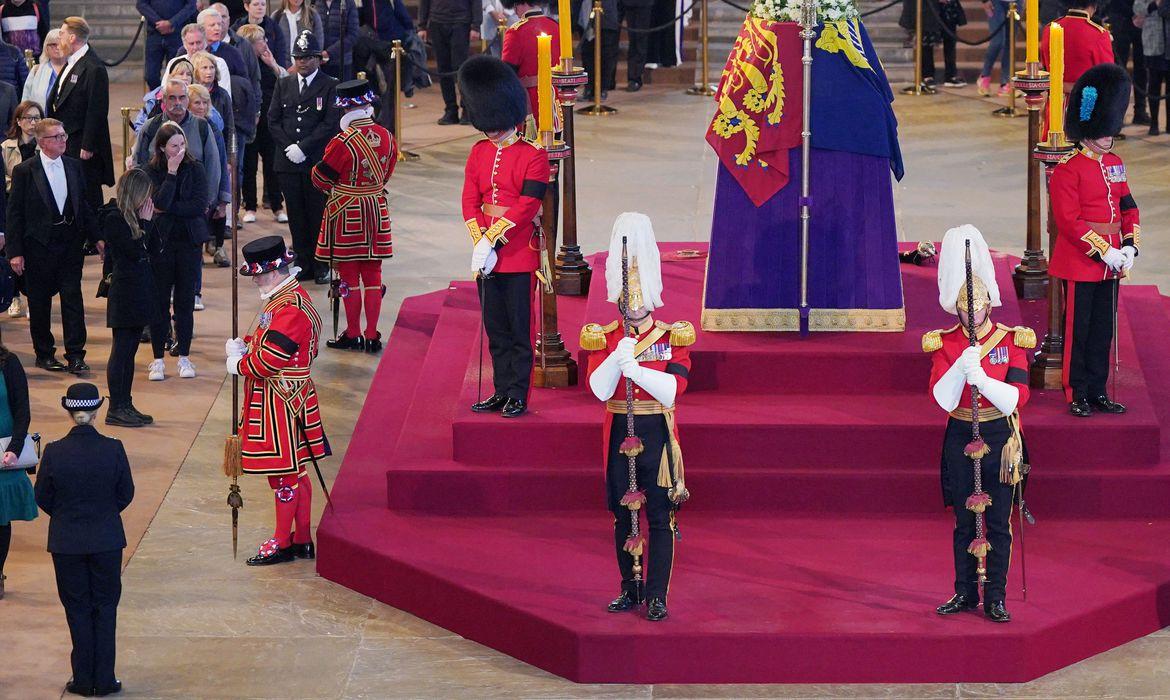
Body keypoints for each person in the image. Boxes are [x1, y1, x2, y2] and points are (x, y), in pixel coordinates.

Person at [581, 213, 693, 623]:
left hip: (658, 436)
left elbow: (672, 391)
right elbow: (598, 390)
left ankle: (657, 594)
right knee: (622, 515)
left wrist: (638, 370)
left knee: (660, 517)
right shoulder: (607, 334)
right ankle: (630, 587)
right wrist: (616, 357)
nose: (635, 300)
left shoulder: (671, 336)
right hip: (618, 435)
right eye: (630, 293)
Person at [926, 225, 1034, 625]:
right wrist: (960, 368)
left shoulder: (1012, 339)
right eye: (965, 306)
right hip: (959, 434)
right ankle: (965, 591)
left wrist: (984, 379)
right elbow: (942, 398)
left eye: (978, 303)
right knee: (963, 522)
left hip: (1000, 435)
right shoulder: (944, 341)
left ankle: (996, 596)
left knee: (999, 522)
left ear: (990, 300)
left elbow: (1016, 398)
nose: (973, 312)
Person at [225, 235, 327, 566]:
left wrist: (239, 364)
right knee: (297, 472)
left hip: (280, 399)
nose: (254, 279)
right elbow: (269, 340)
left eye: (257, 273)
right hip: (287, 395)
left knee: (284, 474)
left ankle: (283, 541)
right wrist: (248, 343)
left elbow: (268, 362)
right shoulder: (283, 298)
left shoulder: (289, 307)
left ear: (273, 271)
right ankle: (302, 538)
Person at [459, 55, 548, 418]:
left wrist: (493, 238)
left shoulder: (534, 156)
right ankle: (500, 390)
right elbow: (469, 198)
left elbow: (527, 205)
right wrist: (479, 240)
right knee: (495, 329)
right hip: (486, 253)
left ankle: (518, 393)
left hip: (517, 253)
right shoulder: (479, 152)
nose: (490, 130)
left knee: (518, 331)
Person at [1048, 63, 1139, 417]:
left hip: (1112, 264)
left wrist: (1130, 245)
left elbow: (1128, 206)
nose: (1108, 136)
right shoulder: (1067, 170)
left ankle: (1099, 390)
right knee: (1079, 332)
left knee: (1103, 331)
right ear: (1088, 129)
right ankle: (1077, 392)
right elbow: (1069, 223)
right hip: (1082, 263)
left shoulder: (1114, 163)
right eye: (1103, 130)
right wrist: (1106, 252)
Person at [34, 382, 134, 698]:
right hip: (106, 539)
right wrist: (104, 512)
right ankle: (105, 678)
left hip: (67, 541)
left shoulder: (53, 451)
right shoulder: (114, 448)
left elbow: (43, 497)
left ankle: (82, 678)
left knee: (77, 608)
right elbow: (125, 493)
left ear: (68, 410)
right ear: (97, 410)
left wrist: (67, 516)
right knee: (105, 607)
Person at [6, 117, 100, 374]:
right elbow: (15, 215)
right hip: (38, 246)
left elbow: (85, 206)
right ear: (42, 142)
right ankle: (44, 353)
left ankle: (76, 354)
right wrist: (15, 252)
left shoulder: (73, 166)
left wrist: (98, 238)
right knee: (39, 303)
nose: (63, 140)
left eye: (64, 136)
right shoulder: (25, 171)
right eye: (57, 137)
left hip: (70, 243)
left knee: (72, 299)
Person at [310, 78, 395, 353]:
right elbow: (386, 174)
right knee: (373, 274)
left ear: (345, 110)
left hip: (347, 213)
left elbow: (321, 179)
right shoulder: (387, 136)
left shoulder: (341, 142)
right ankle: (372, 335)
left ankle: (353, 333)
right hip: (377, 209)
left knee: (348, 275)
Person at [268, 30, 338, 285]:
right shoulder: (284, 83)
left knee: (317, 213)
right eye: (298, 57)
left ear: (318, 59)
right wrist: (289, 147)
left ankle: (320, 264)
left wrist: (304, 147)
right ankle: (302, 260)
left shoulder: (329, 85)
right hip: (287, 162)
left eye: (308, 57)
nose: (302, 62)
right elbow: (273, 120)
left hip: (315, 162)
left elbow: (330, 123)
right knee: (296, 213)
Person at [142, 122, 209, 381]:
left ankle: (184, 356)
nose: (180, 150)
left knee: (184, 302)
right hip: (161, 243)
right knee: (158, 302)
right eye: (174, 146)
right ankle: (157, 359)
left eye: (182, 145)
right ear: (162, 148)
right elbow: (156, 202)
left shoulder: (196, 168)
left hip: (189, 243)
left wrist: (168, 208)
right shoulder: (150, 171)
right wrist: (170, 174)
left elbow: (199, 205)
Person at [102, 169, 160, 427]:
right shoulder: (114, 219)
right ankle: (115, 407)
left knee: (131, 351)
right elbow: (133, 252)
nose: (149, 200)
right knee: (122, 351)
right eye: (146, 194)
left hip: (140, 291)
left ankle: (126, 402)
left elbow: (154, 248)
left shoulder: (137, 218)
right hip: (125, 293)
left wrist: (148, 222)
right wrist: (146, 223)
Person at [132, 79, 222, 234]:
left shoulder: (202, 127)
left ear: (188, 99)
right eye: (172, 98)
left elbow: (213, 167)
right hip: (156, 215)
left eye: (182, 97)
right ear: (164, 100)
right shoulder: (150, 127)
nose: (177, 102)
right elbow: (138, 165)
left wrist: (209, 201)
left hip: (192, 215)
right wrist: (141, 200)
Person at [47, 17, 113, 210]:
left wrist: (88, 144)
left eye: (62, 34)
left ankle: (94, 238)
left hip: (82, 145)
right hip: (66, 141)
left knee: (87, 192)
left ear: (73, 37)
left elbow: (97, 109)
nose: (60, 39)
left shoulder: (94, 68)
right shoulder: (72, 62)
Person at [237, 23, 286, 224]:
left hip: (270, 118)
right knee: (248, 164)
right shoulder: (242, 63)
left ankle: (277, 205)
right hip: (250, 118)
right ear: (250, 44)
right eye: (261, 41)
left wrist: (273, 64)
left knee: (272, 163)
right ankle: (249, 205)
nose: (265, 43)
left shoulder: (268, 60)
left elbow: (285, 80)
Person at [0, 342, 34, 600]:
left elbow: (22, 409)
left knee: (1, 520)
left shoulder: (9, 363)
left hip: (4, 457)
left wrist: (15, 446)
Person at [188, 83, 232, 273]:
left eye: (205, 103)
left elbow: (221, 165)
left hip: (206, 194)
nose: (202, 107)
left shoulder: (212, 128)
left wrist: (222, 201)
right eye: (197, 103)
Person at [353, 0, 415, 134]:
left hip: (391, 47)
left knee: (390, 90)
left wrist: (406, 40)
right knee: (373, 88)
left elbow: (404, 19)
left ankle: (389, 128)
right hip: (370, 46)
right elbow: (359, 19)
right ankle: (379, 125)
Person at [1, 99, 37, 319]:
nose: (33, 123)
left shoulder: (45, 145)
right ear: (19, 121)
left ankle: (35, 298)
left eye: (37, 118)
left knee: (34, 257)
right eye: (28, 118)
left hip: (37, 210)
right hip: (13, 205)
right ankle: (15, 296)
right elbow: (2, 177)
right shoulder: (6, 147)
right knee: (12, 254)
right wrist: (19, 185)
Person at [420, 0, 482, 124]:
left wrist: (476, 25)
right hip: (437, 21)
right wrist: (422, 25)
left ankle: (467, 109)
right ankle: (450, 110)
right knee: (443, 69)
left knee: (461, 68)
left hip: (461, 21)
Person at [501, 0, 560, 116]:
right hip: (556, 97)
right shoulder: (554, 25)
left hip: (530, 100)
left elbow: (507, 71)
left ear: (522, 3)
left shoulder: (515, 31)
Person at [137, 0, 198, 89]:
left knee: (176, 73)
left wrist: (172, 23)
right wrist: (158, 22)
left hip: (177, 33)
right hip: (154, 34)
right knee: (151, 76)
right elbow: (141, 4)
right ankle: (159, 97)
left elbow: (191, 6)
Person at [1108, 0, 1149, 124]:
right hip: (1120, 20)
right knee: (1119, 71)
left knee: (1142, 69)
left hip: (1140, 23)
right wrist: (1135, 12)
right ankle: (1116, 115)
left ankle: (1140, 111)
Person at [1134, 0, 1166, 134]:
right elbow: (1138, 8)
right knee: (1154, 83)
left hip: (1168, 39)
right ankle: (1154, 124)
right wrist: (1154, 4)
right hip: (1153, 41)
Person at [575, 0, 617, 100]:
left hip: (605, 17)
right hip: (585, 13)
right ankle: (588, 88)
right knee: (587, 55)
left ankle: (602, 89)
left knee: (605, 56)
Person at [312, 0, 358, 80]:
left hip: (342, 63)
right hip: (319, 63)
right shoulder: (316, 3)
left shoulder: (348, 3)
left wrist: (329, 53)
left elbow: (353, 35)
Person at [272, 0, 324, 69]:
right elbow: (273, 45)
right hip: (283, 68)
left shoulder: (312, 15)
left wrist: (300, 66)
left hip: (308, 68)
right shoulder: (277, 16)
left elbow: (318, 45)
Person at [22, 28, 63, 108]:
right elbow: (26, 100)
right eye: (53, 45)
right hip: (41, 118)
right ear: (46, 47)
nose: (57, 48)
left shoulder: (74, 69)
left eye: (61, 44)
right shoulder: (36, 70)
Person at [977, 0, 1011, 94]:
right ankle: (985, 75)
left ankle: (1005, 82)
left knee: (1010, 42)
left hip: (1017, 2)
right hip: (995, 2)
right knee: (997, 41)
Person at [618, 0, 651, 91]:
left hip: (643, 4)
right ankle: (632, 78)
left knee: (640, 40)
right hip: (627, 3)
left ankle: (636, 78)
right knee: (633, 41)